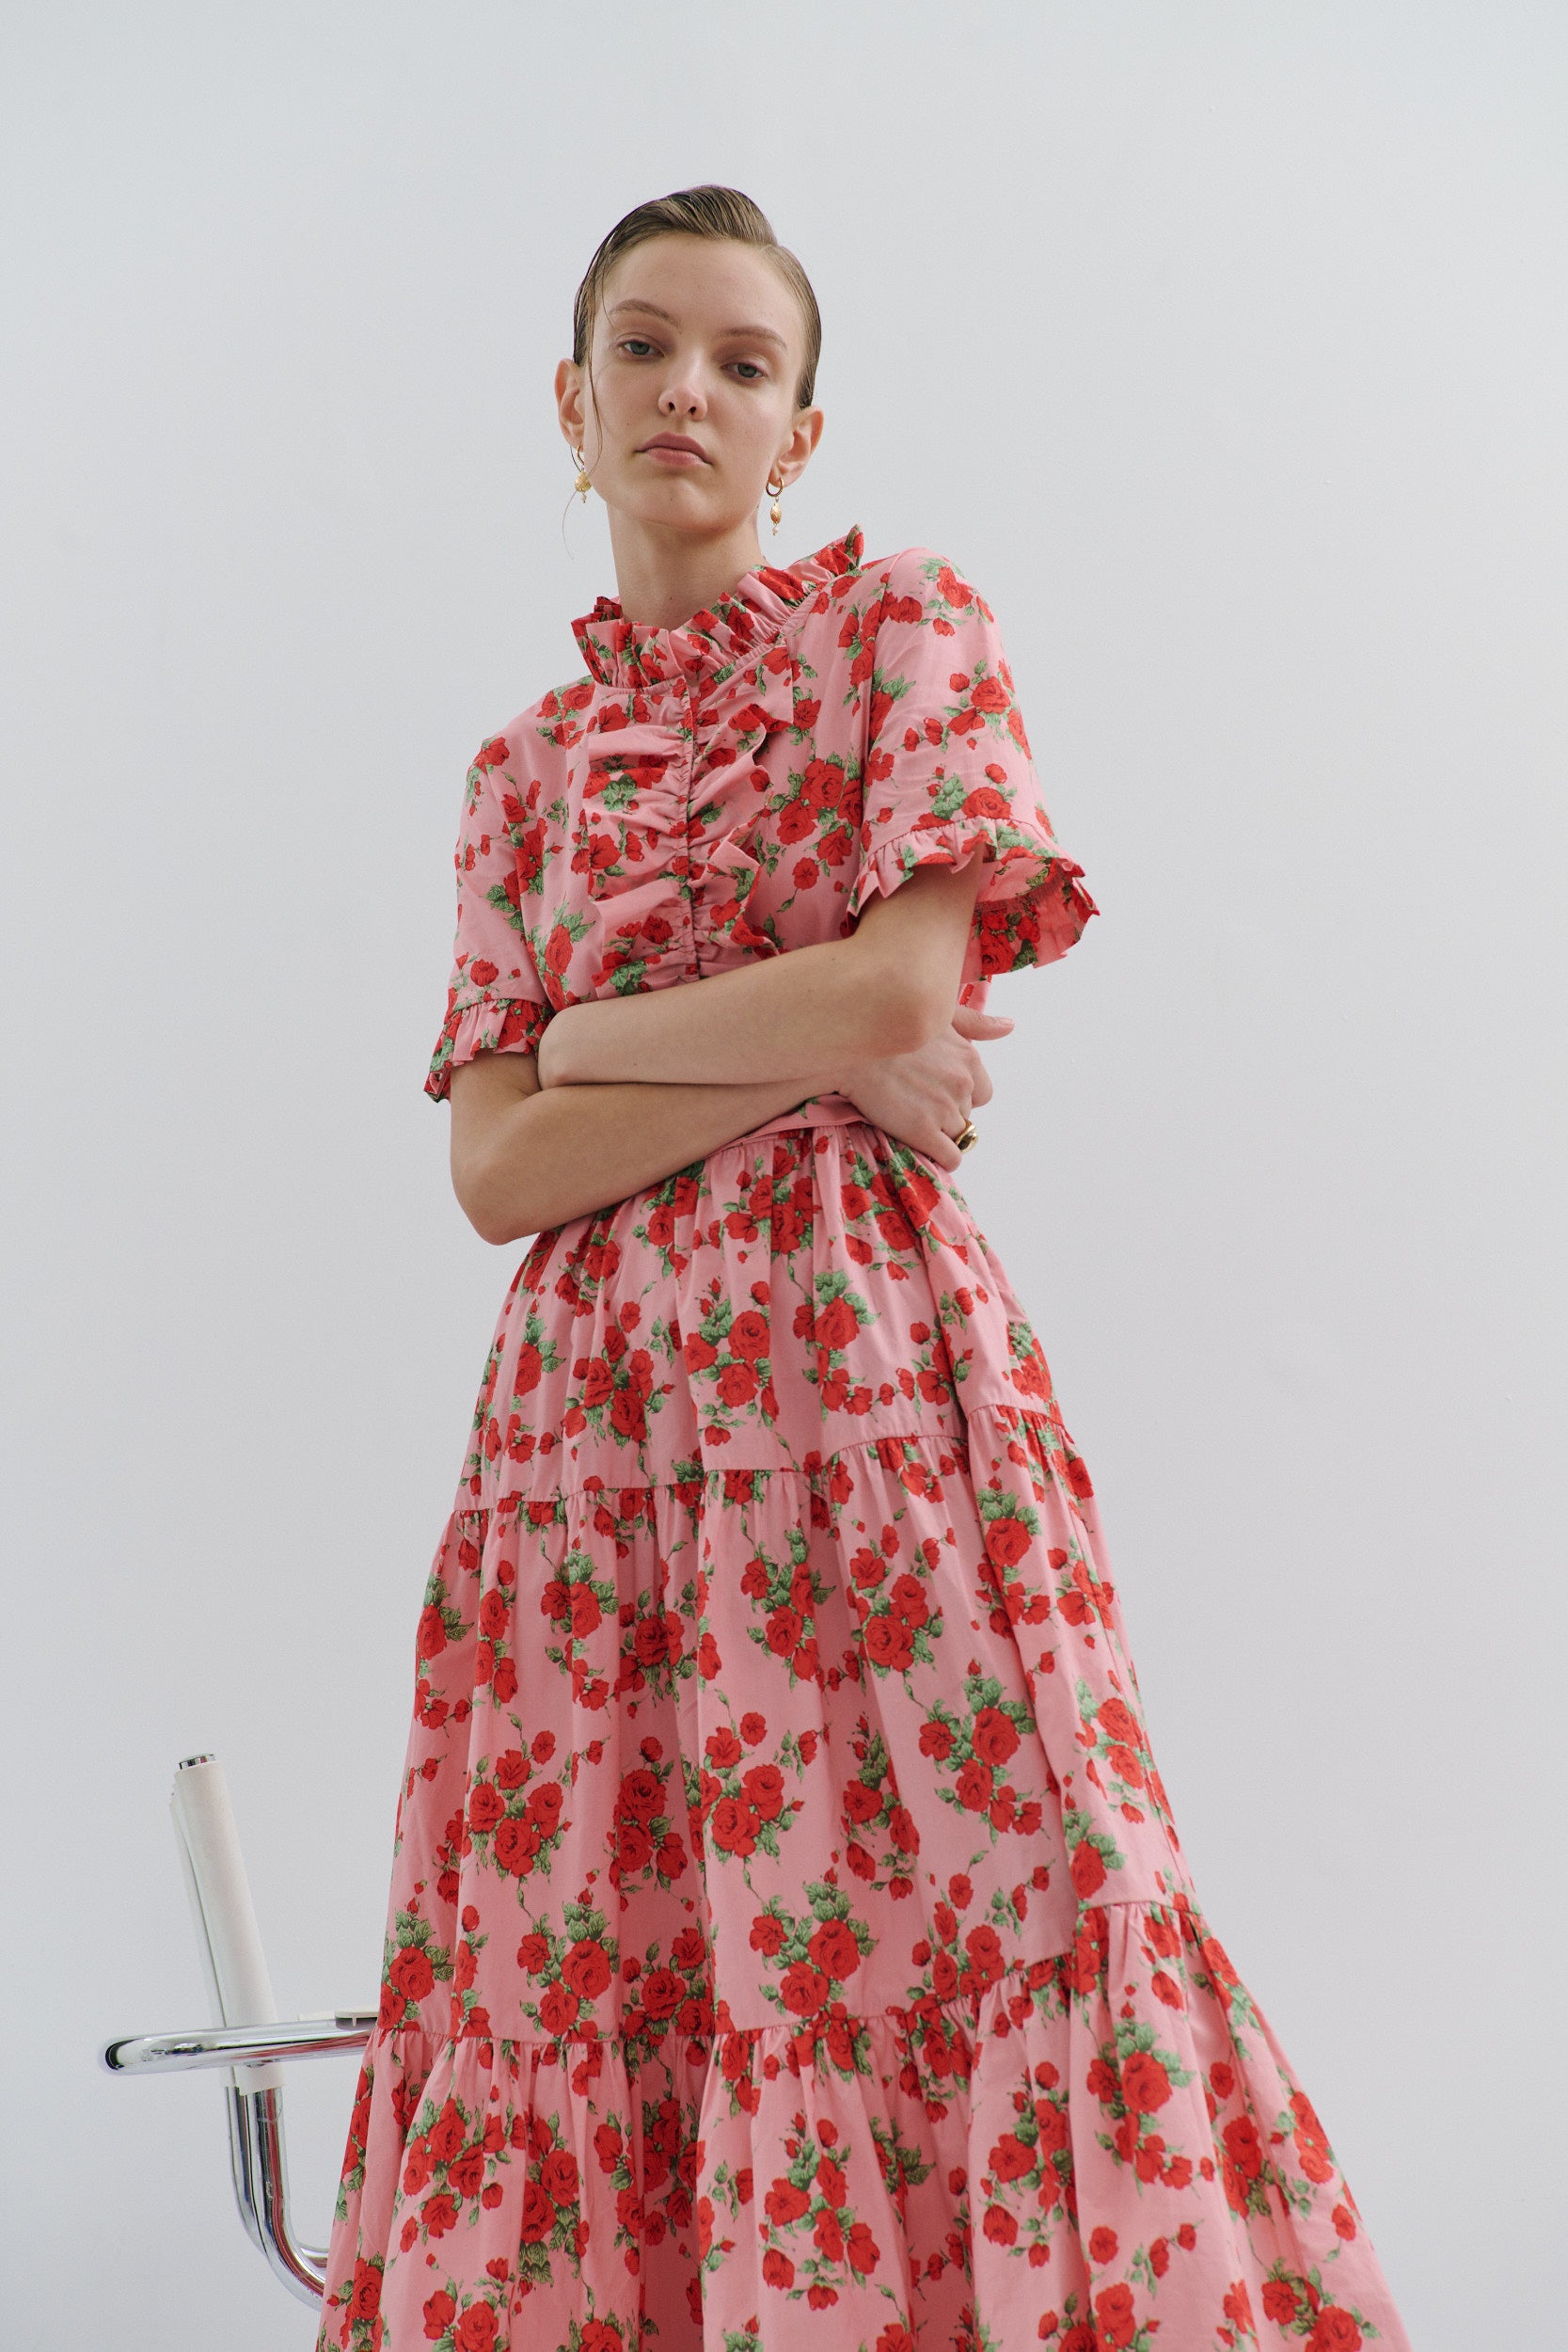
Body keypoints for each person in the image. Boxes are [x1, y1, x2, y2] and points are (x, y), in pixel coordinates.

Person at [316, 185, 1412, 2352]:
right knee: (622, 1967)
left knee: (1031, 1890)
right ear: (573, 398)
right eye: (643, 348)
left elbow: (900, 995)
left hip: (876, 1386)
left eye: (741, 361)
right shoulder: (517, 779)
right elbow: (496, 1171)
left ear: (803, 430)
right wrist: (801, 1036)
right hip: (591, 1459)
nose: (686, 393)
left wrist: (616, 1032)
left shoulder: (905, 625)